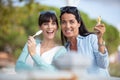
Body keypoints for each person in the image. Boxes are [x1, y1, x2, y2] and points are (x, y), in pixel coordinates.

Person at [59, 6, 109, 76]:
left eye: (71, 22)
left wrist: (100, 39)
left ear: (78, 23)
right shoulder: (65, 49)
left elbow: (104, 64)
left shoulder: (91, 39)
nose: (67, 26)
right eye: (64, 22)